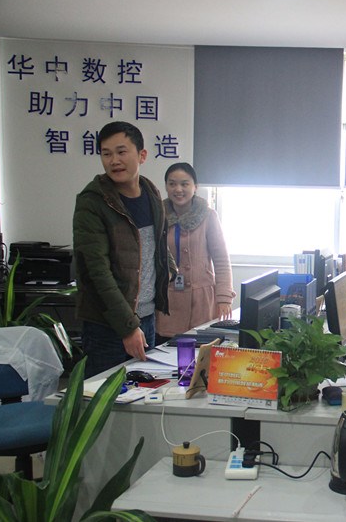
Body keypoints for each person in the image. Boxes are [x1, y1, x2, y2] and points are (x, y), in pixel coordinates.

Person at [73, 121, 173, 377]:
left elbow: (157, 243)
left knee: (143, 394)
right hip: (107, 325)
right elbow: (98, 272)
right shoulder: (92, 202)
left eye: (121, 152)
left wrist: (170, 269)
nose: (114, 161)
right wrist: (127, 327)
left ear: (142, 155)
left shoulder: (151, 193)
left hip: (146, 317)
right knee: (106, 397)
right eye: (106, 154)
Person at [156, 162, 235, 339]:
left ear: (195, 187)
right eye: (172, 184)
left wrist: (224, 298)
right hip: (168, 300)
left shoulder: (208, 216)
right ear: (166, 187)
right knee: (167, 348)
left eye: (184, 184)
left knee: (200, 348)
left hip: (201, 301)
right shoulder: (158, 216)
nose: (178, 189)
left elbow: (221, 260)